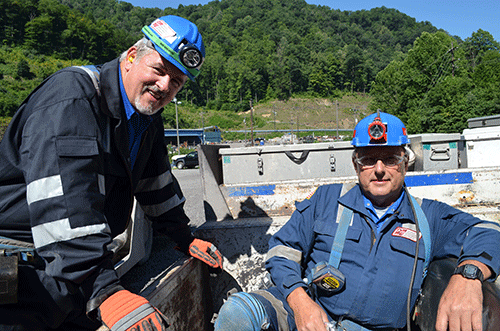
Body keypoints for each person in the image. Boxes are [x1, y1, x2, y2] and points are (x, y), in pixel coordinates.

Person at [0, 15, 222, 331]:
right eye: (159, 70)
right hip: (19, 268)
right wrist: (104, 290)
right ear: (131, 57)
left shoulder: (146, 118)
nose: (164, 86)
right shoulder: (73, 98)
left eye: (176, 81)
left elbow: (155, 184)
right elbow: (65, 204)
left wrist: (182, 236)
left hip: (68, 272)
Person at [214, 111, 500, 331]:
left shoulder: (430, 217)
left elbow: (488, 231)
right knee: (237, 314)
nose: (379, 170)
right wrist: (299, 301)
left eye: (389, 158)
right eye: (367, 159)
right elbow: (281, 250)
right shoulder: (327, 200)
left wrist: (469, 276)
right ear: (355, 164)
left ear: (405, 163)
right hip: (308, 314)